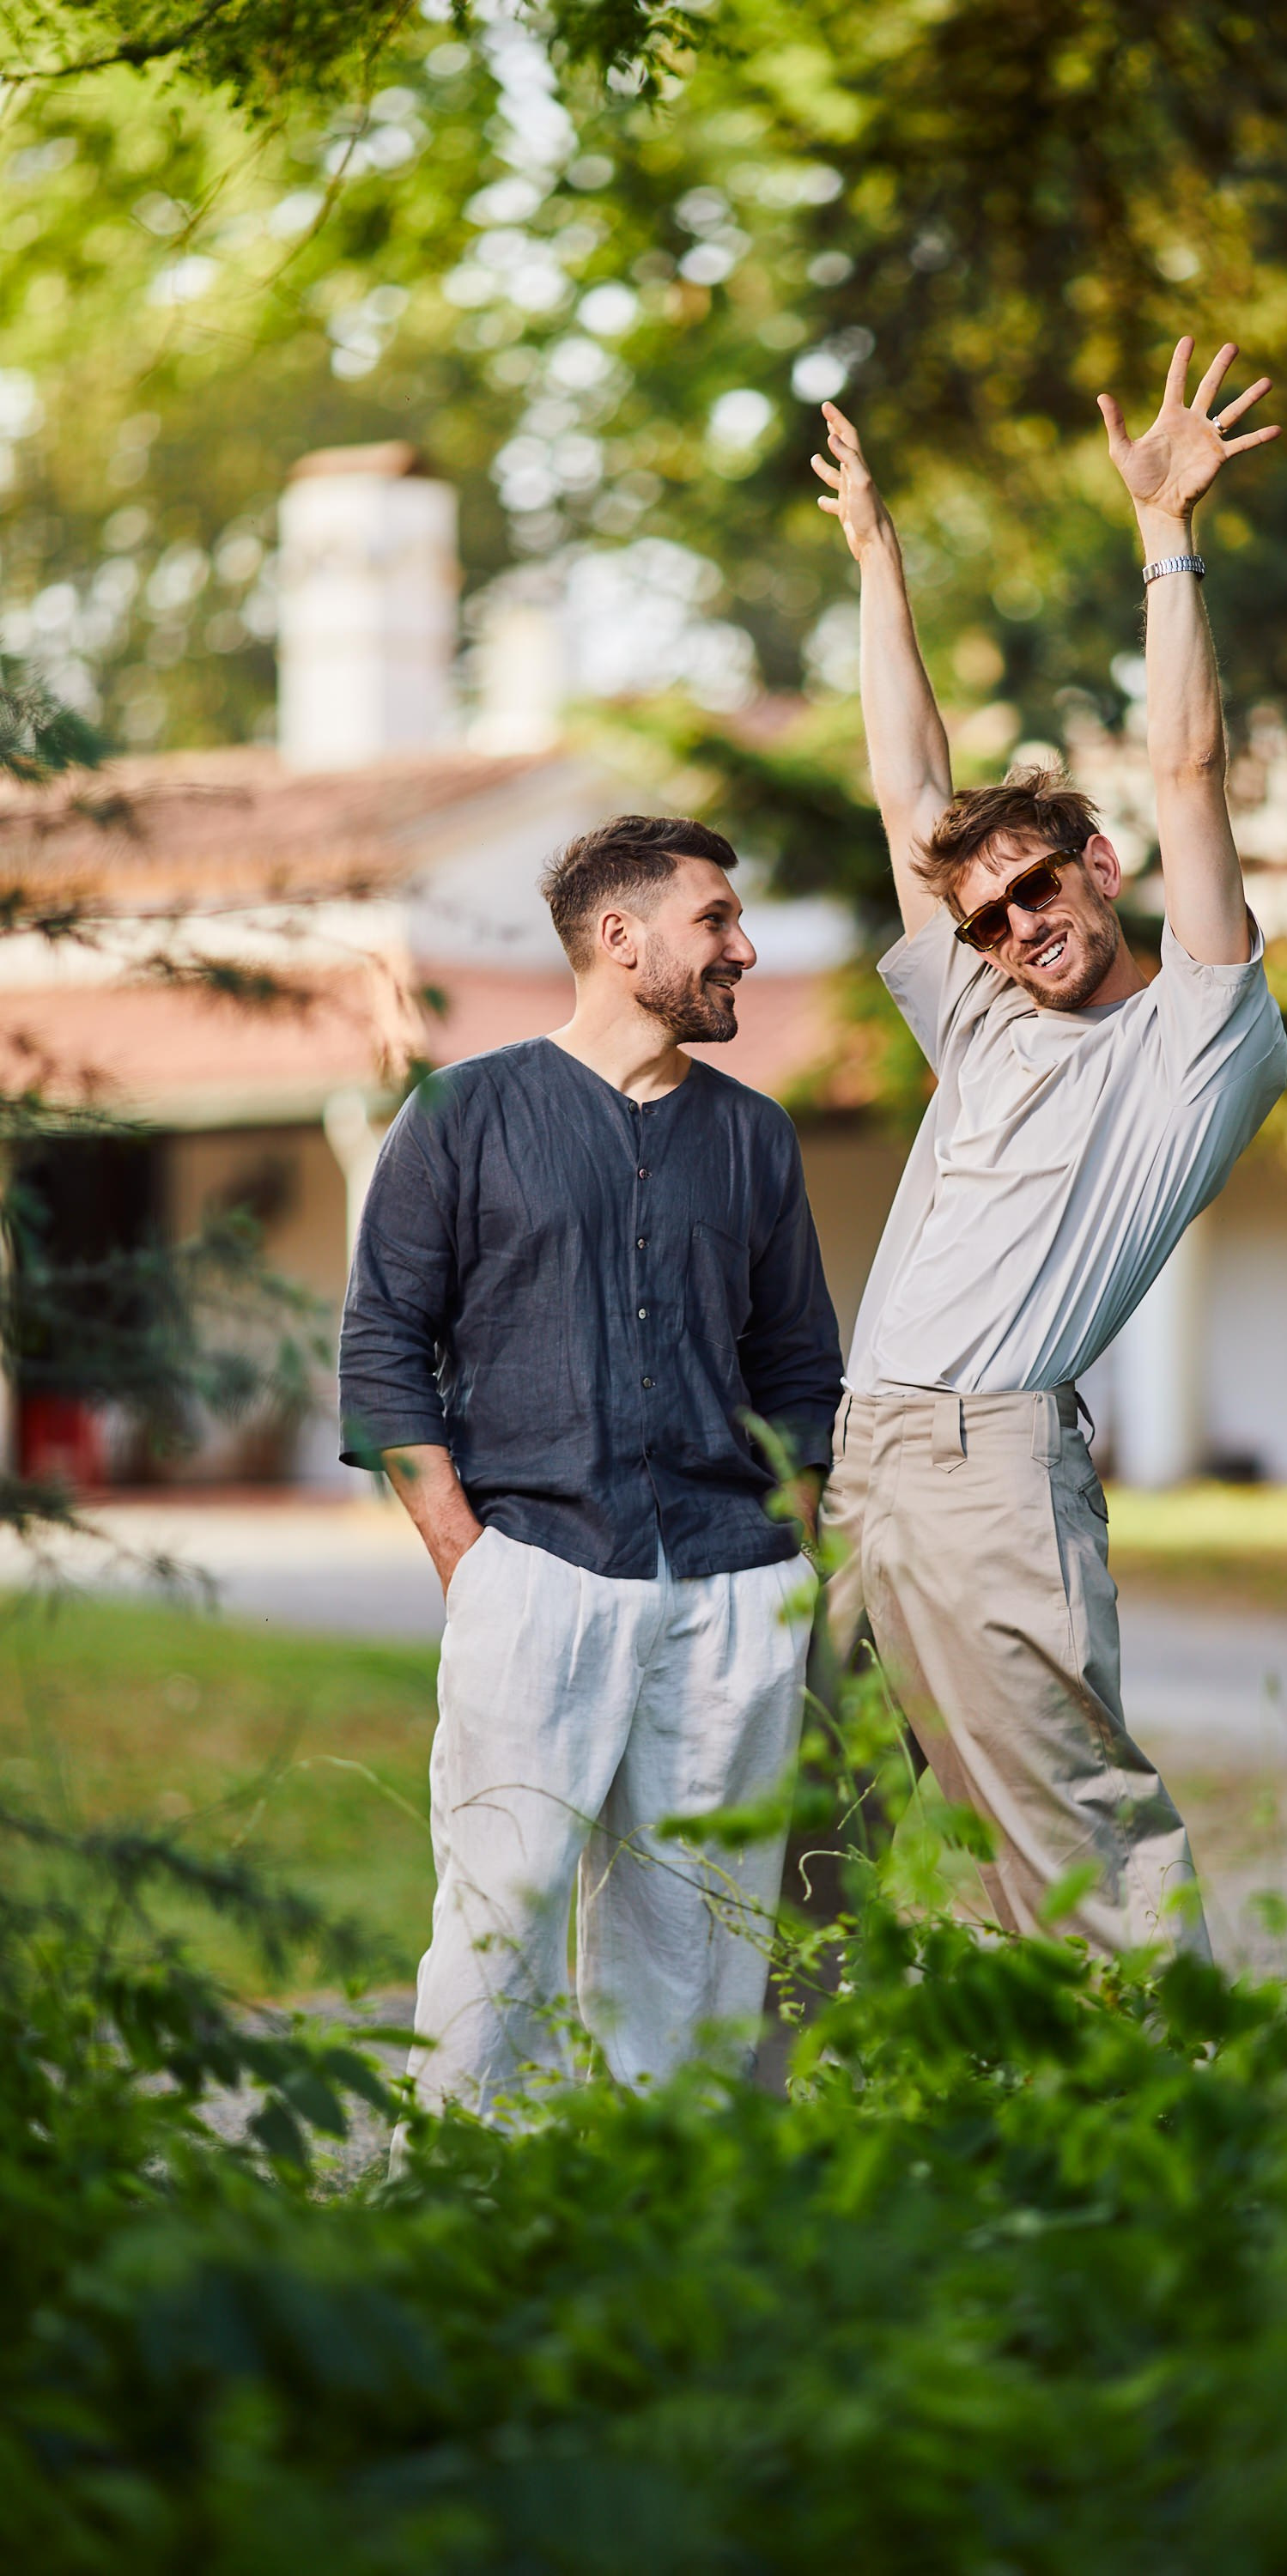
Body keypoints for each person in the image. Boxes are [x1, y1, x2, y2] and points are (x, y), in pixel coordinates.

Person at [812, 337, 1287, 1959]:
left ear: (1097, 866)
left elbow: (1189, 768)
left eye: (1037, 891)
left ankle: (1180, 2138)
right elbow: (909, 793)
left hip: (989, 1467)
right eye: (992, 920)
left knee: (1066, 1838)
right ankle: (816, 2157)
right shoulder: (989, 1015)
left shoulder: (1198, 1041)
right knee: (815, 1823)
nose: (1019, 929)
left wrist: (1165, 539)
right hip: (860, 1461)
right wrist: (878, 562)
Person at [339, 815, 843, 2125]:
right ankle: (456, 2183)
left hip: (734, 1588)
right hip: (537, 1571)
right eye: (716, 921)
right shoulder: (462, 1114)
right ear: (620, 941)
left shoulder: (755, 1137)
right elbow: (384, 1337)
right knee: (500, 1910)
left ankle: (660, 2200)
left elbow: (799, 1365)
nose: (743, 947)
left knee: (700, 1932)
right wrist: (467, 1552)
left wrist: (785, 1552)